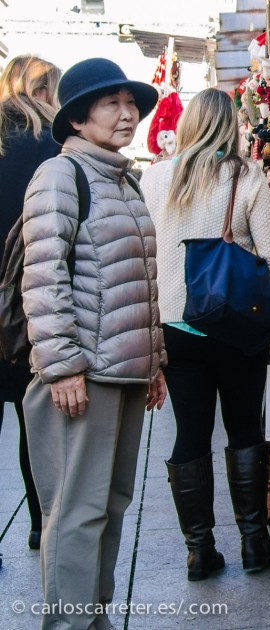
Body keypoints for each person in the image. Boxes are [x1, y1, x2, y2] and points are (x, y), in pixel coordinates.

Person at [20, 58, 166, 630]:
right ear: (78, 118)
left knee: (110, 505)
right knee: (76, 512)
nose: (128, 113)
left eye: (132, 103)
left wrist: (154, 363)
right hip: (83, 375)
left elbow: (141, 283)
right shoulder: (61, 177)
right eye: (112, 103)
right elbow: (44, 278)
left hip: (125, 372)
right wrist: (62, 368)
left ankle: (93, 619)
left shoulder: (123, 179)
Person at [140, 88, 270, 580]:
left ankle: (199, 551)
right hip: (235, 324)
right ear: (229, 126)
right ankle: (255, 542)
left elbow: (147, 253)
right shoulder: (245, 175)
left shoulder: (153, 178)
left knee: (189, 433)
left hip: (177, 324)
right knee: (244, 427)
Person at [0, 55, 60, 557]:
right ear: (45, 92)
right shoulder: (52, 148)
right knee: (32, 418)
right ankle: (42, 522)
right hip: (28, 307)